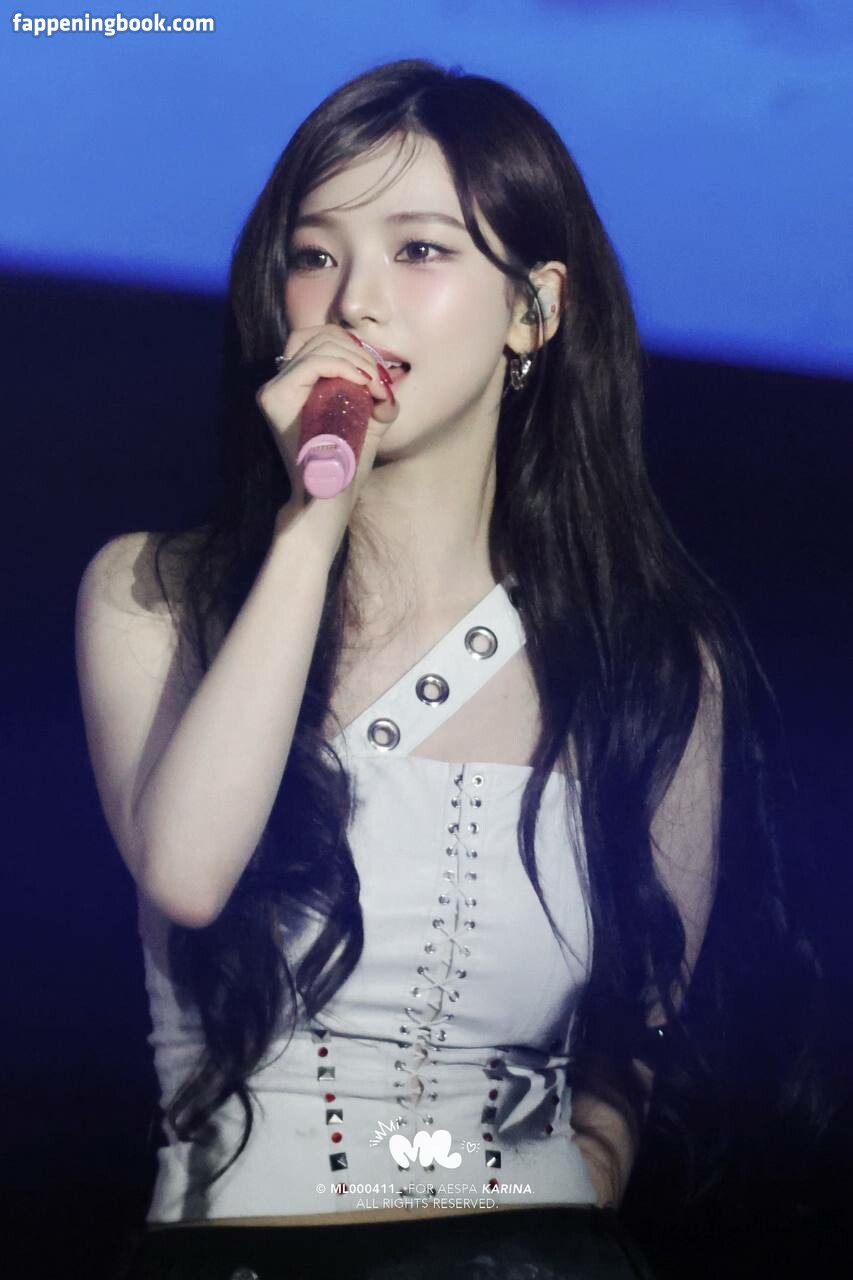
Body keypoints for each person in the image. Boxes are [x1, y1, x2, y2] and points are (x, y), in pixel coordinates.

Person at [74, 58, 826, 1280]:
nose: (354, 301)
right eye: (314, 254)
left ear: (534, 310)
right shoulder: (153, 592)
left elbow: (639, 1029)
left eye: (419, 250)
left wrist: (550, 1211)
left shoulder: (643, 660)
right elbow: (190, 871)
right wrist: (311, 524)